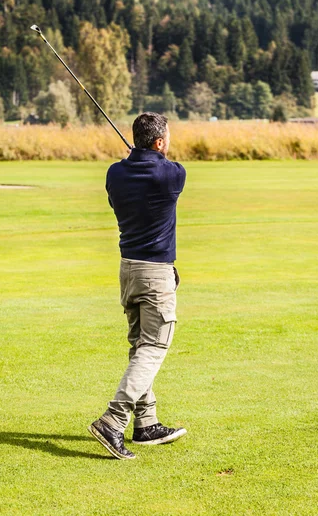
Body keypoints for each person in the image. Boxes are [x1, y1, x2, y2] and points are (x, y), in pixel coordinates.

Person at [88, 112, 187, 460]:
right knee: (154, 347)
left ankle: (146, 423)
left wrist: (136, 157)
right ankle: (113, 421)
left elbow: (123, 190)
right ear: (160, 143)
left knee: (139, 347)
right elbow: (164, 167)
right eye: (166, 140)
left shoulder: (115, 173)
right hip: (155, 273)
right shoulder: (172, 174)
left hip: (128, 270)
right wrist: (146, 155)